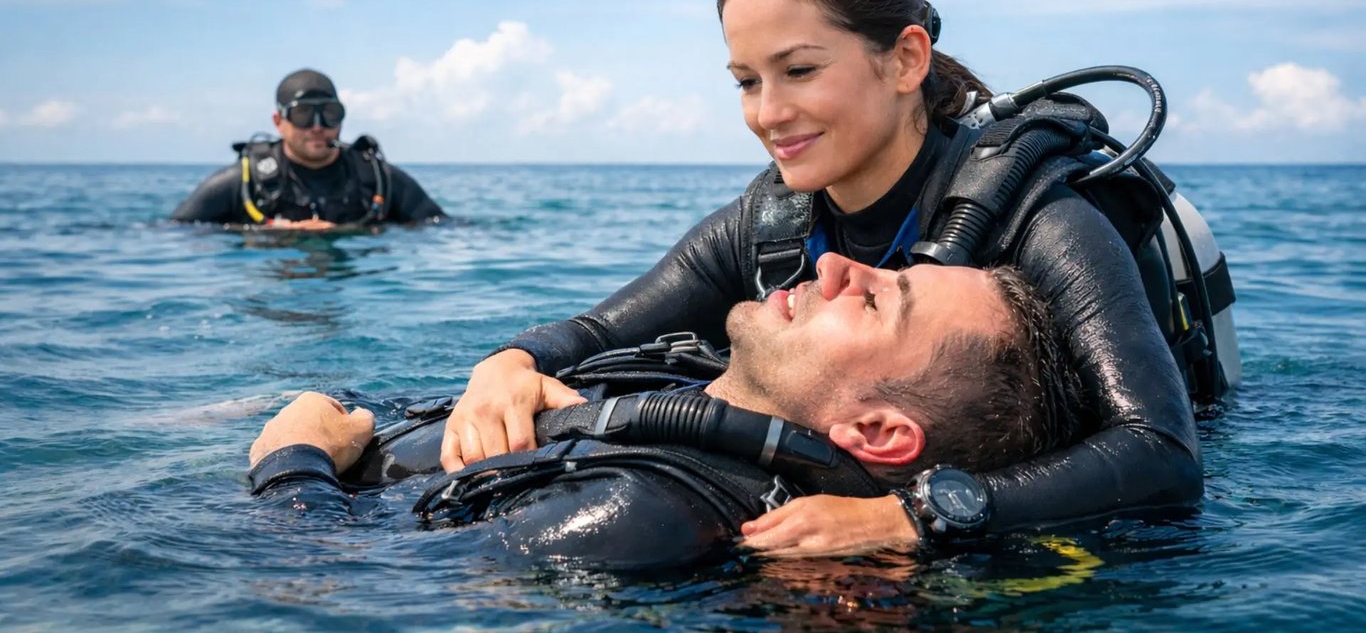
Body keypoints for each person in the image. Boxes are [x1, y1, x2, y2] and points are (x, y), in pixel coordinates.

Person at [439, 0, 1206, 555]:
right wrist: (507, 363)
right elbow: (599, 330)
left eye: (799, 70)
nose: (767, 113)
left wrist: (910, 517)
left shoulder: (1046, 222)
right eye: (746, 80)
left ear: (906, 59)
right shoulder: (768, 223)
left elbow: (1163, 454)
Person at [249, 255, 1084, 566]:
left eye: (872, 303)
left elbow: (332, 580)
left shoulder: (644, 513)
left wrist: (290, 458)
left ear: (875, 432)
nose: (835, 265)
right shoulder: (679, 379)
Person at [171, 68, 446, 228]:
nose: (317, 126)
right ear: (279, 122)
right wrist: (267, 234)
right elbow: (175, 233)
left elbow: (442, 227)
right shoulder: (241, 182)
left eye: (329, 113)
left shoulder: (377, 178)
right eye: (303, 115)